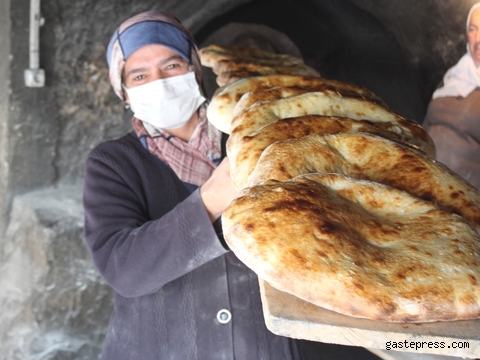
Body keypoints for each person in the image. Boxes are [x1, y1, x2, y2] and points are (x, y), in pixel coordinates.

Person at [83, 11, 380, 360]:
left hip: (264, 346)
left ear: (194, 70)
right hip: (163, 347)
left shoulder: (257, 137)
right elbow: (125, 269)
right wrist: (211, 197)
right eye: (139, 75)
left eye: (172, 66)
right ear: (124, 91)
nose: (159, 82)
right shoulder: (113, 163)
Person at [423, 3, 480, 190]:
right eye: (473, 29)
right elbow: (426, 126)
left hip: (464, 198)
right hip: (426, 182)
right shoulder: (454, 77)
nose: (478, 38)